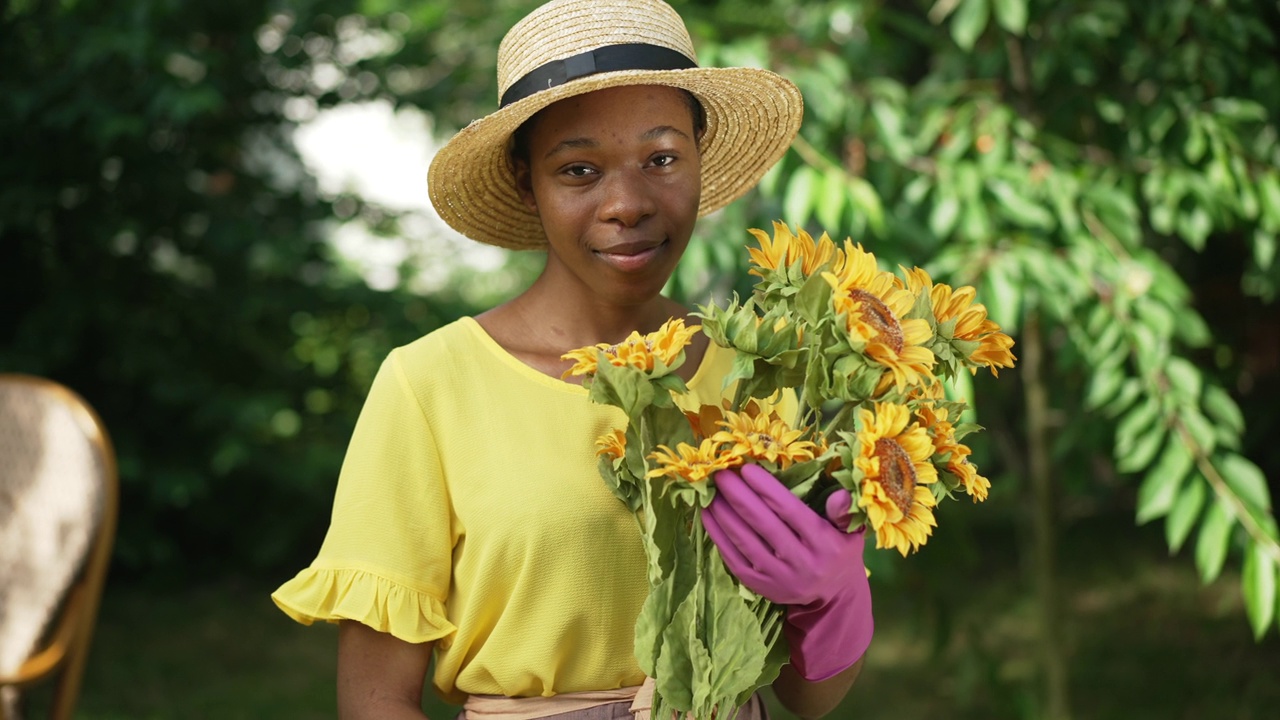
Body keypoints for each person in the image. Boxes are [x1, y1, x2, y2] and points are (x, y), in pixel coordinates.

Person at [271, 1, 873, 718]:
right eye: (579, 170)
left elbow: (808, 697)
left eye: (661, 159)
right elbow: (375, 702)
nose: (627, 203)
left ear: (700, 158)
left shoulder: (758, 374)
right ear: (528, 184)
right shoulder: (430, 386)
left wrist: (835, 600)